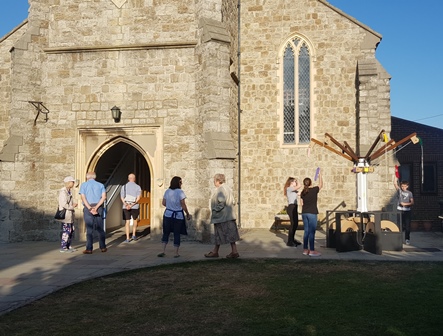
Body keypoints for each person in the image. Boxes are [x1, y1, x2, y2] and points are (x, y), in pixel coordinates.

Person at [204, 173, 240, 259]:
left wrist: (215, 209)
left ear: (218, 181)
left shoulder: (221, 190)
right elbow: (233, 201)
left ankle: (216, 252)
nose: (214, 182)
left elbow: (221, 202)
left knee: (219, 234)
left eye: (214, 180)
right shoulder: (227, 188)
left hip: (222, 216)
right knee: (229, 234)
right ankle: (231, 251)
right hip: (228, 215)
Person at [158, 176, 191, 258]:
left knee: (166, 232)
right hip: (178, 215)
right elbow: (183, 204)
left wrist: (170, 206)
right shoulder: (180, 192)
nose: (181, 184)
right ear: (177, 183)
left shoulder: (167, 191)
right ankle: (176, 253)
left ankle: (163, 251)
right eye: (180, 182)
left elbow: (163, 203)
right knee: (177, 233)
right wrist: (187, 213)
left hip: (168, 214)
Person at [79, 171, 107, 254]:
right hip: (98, 208)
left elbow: (83, 198)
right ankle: (103, 247)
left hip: (88, 208)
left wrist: (90, 208)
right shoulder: (101, 185)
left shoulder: (84, 185)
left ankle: (89, 248)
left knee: (89, 229)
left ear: (87, 177)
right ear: (95, 177)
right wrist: (96, 207)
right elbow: (104, 197)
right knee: (100, 228)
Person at [300, 170, 323, 257]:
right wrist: (320, 175)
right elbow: (321, 185)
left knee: (306, 231)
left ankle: (305, 249)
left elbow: (301, 203)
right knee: (312, 232)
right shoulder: (314, 190)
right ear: (310, 183)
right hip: (312, 212)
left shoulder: (303, 192)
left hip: (304, 212)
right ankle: (312, 250)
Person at [57, 176, 78, 252]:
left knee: (71, 230)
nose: (73, 183)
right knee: (66, 231)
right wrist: (72, 206)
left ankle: (68, 245)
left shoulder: (69, 191)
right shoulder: (63, 192)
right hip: (66, 215)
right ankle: (63, 247)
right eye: (72, 182)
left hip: (70, 215)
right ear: (69, 182)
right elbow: (63, 203)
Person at [120, 173, 142, 242]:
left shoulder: (124, 187)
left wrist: (126, 205)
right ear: (134, 179)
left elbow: (122, 197)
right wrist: (132, 205)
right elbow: (138, 198)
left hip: (126, 206)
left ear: (128, 179)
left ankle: (127, 238)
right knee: (135, 220)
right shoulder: (138, 187)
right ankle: (134, 234)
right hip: (134, 206)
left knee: (127, 221)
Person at [394, 179, 414, 245]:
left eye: (405, 186)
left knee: (407, 226)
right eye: (402, 186)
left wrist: (405, 204)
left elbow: (412, 202)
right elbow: (395, 184)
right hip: (400, 210)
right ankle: (399, 239)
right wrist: (395, 176)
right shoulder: (399, 191)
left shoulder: (409, 193)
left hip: (407, 211)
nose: (403, 188)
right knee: (399, 225)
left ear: (407, 186)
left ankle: (407, 239)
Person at [284, 177, 302, 247]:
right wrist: (297, 180)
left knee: (296, 224)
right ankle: (289, 241)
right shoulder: (289, 188)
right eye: (294, 182)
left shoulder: (294, 191)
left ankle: (292, 239)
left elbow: (300, 193)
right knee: (293, 224)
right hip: (291, 207)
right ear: (291, 182)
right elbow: (299, 186)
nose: (296, 183)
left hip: (295, 207)